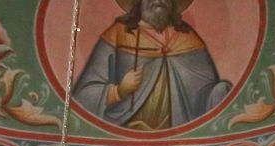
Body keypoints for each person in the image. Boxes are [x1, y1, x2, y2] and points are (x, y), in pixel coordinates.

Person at [72, 0, 230, 130]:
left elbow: (204, 96)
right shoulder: (119, 34)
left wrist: (218, 94)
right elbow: (83, 95)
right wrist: (118, 91)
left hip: (179, 139)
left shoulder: (187, 37)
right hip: (125, 133)